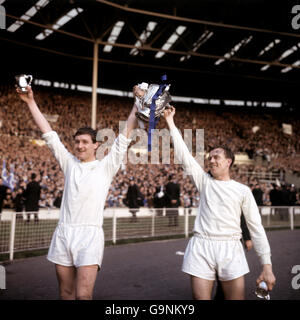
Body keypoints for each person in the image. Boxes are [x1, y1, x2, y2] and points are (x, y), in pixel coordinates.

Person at [17, 85, 138, 300]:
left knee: (83, 295)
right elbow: (49, 134)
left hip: (90, 236)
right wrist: (30, 102)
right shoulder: (69, 164)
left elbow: (123, 138)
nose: (79, 146)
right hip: (64, 233)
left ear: (96, 146)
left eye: (84, 142)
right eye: (77, 142)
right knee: (65, 293)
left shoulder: (106, 167)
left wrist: (137, 103)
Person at [164, 106, 275, 300]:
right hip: (201, 245)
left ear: (229, 161)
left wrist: (267, 266)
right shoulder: (204, 182)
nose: (211, 160)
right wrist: (170, 121)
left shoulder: (242, 190)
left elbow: (256, 228)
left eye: (217, 157)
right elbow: (183, 155)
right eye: (210, 157)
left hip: (231, 247)